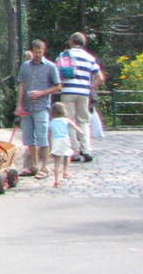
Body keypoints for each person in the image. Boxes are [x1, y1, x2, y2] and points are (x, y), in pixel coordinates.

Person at [13, 39, 62, 177]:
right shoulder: (25, 66)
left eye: (40, 52)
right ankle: (33, 166)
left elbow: (58, 86)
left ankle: (44, 167)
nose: (37, 55)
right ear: (31, 52)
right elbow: (21, 85)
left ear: (43, 51)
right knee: (28, 138)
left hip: (42, 106)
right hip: (27, 107)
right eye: (35, 52)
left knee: (42, 136)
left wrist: (42, 93)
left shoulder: (50, 66)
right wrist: (19, 105)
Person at [55, 32, 103, 163]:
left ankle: (74, 151)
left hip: (67, 91)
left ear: (71, 42)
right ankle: (86, 149)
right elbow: (100, 78)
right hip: (83, 93)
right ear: (83, 43)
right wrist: (89, 87)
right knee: (83, 121)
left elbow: (56, 73)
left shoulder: (63, 55)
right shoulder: (89, 57)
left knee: (69, 121)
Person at [47, 104, 74, 186]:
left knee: (56, 162)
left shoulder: (51, 122)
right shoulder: (66, 120)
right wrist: (82, 132)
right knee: (67, 155)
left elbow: (49, 134)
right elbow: (75, 127)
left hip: (56, 141)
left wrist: (49, 144)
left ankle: (56, 181)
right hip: (65, 140)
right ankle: (65, 172)